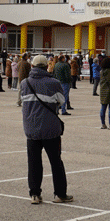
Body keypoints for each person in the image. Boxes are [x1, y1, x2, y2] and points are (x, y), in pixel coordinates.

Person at [21, 54, 72, 204]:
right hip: (50, 129)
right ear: (46, 67)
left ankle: (35, 194)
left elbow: (21, 101)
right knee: (56, 162)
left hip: (31, 129)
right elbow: (62, 101)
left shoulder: (25, 83)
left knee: (34, 162)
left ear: (32, 67)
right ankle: (60, 194)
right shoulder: (53, 83)